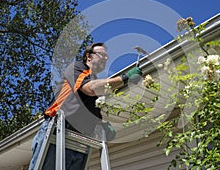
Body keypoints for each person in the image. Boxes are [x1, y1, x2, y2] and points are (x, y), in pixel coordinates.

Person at [29, 42, 142, 170]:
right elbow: (89, 88)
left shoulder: (96, 85)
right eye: (102, 55)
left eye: (106, 56)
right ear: (89, 57)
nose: (105, 58)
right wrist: (125, 78)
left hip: (79, 141)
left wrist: (101, 124)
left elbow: (89, 110)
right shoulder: (77, 67)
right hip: (57, 132)